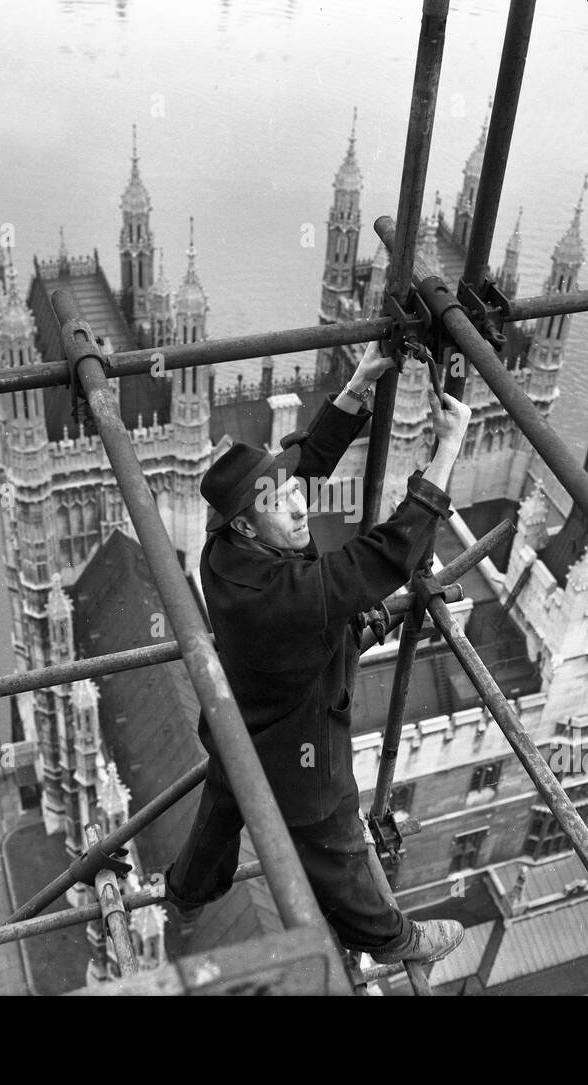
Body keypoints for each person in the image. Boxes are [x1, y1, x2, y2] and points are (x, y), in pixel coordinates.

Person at [164, 340, 472, 965]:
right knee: (339, 851)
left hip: (241, 717)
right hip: (301, 751)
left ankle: (187, 891)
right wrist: (447, 451)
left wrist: (356, 390)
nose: (300, 503)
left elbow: (300, 469)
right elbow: (382, 558)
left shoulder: (226, 551)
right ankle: (392, 941)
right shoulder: (280, 594)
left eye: (289, 492)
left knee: (227, 801)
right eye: (279, 503)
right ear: (250, 523)